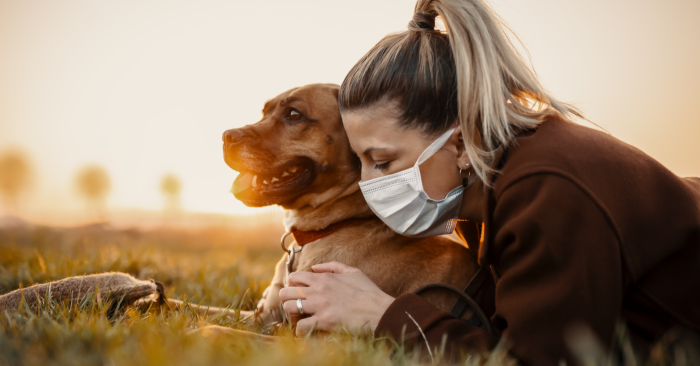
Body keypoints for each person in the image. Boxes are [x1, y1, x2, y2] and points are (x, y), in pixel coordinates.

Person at [278, 0, 700, 364]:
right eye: (361, 162)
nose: (370, 185)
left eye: (384, 162)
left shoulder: (547, 189)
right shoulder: (487, 183)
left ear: (460, 142)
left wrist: (381, 314)